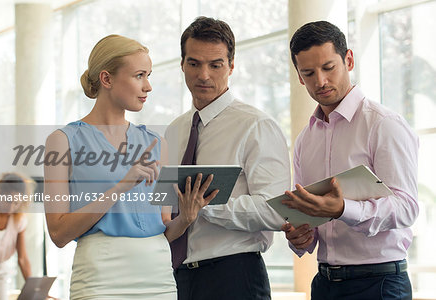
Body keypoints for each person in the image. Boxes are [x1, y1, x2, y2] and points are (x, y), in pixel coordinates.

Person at [44, 34, 216, 300]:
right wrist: (122, 184)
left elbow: (166, 228)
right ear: (107, 79)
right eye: (139, 75)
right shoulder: (62, 141)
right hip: (100, 276)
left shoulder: (157, 144)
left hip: (157, 276)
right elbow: (58, 233)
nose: (148, 86)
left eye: (149, 75)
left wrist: (187, 217)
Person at [282, 21, 419, 300]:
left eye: (328, 68)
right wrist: (300, 237)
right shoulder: (305, 140)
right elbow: (309, 217)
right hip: (323, 283)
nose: (320, 81)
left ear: (349, 59)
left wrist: (344, 208)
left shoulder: (383, 125)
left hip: (379, 283)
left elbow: (406, 208)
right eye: (308, 73)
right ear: (298, 76)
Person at [164, 16, 291, 300]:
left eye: (215, 65)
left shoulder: (256, 125)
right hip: (177, 279)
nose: (204, 75)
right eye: (194, 63)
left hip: (234, 277)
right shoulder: (174, 131)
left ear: (231, 66)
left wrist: (204, 206)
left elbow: (277, 209)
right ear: (182, 65)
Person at [0, 173, 33, 300]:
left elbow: (22, 259)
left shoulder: (19, 220)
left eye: (16, 203)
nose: (11, 207)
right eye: (8, 200)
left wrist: (34, 289)